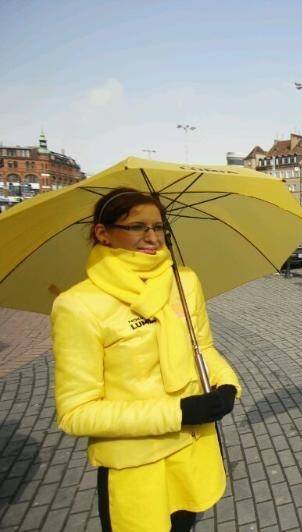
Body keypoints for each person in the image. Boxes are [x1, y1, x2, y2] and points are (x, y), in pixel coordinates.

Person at [51, 188, 241, 532]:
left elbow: (205, 347)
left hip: (192, 449)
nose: (152, 238)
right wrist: (179, 412)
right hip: (135, 467)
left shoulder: (183, 281)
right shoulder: (78, 305)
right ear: (102, 232)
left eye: (159, 227)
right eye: (138, 227)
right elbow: (76, 413)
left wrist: (227, 384)